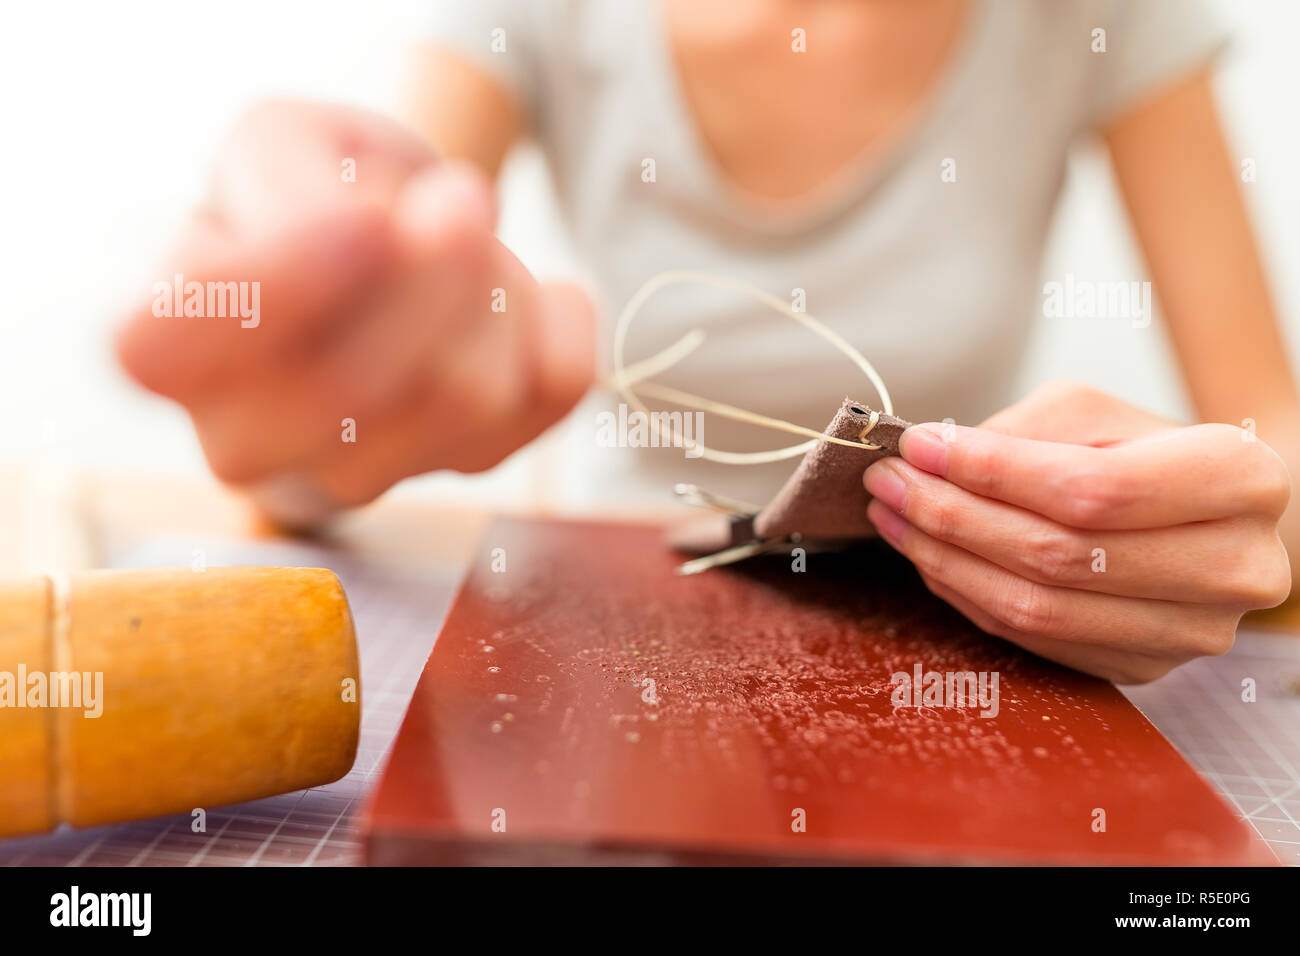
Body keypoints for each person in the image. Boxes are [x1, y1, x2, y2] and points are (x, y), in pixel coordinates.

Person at [116, 0, 1295, 682]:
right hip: (592, 634)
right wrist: (304, 419)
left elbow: (1267, 442)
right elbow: (362, 350)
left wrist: (1213, 521)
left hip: (949, 652)